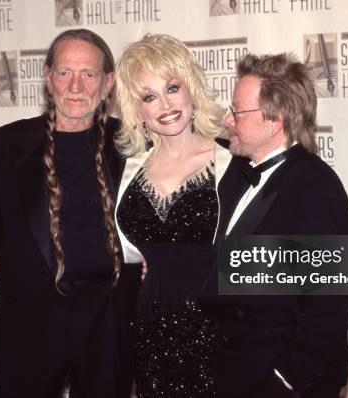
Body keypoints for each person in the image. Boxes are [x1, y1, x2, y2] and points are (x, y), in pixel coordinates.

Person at [0, 29, 139, 398]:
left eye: (88, 74)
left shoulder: (134, 145)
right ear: (48, 78)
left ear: (108, 83)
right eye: (65, 73)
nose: (75, 86)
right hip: (30, 323)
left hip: (109, 322)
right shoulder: (2, 148)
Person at [201, 53, 348, 397]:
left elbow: (327, 304)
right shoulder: (237, 177)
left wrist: (287, 378)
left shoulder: (315, 188)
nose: (227, 120)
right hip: (234, 371)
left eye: (237, 111)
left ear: (275, 119)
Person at [114, 34, 232, 397]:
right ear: (138, 110)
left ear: (191, 88)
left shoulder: (231, 161)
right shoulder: (128, 169)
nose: (165, 104)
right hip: (148, 331)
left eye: (172, 88)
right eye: (149, 96)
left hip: (218, 330)